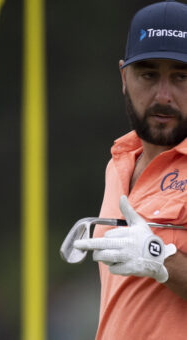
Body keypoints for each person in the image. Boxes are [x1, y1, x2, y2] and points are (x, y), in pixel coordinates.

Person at [73, 1, 187, 339]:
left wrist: (158, 257)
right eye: (149, 75)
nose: (163, 95)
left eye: (181, 76)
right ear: (124, 77)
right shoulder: (119, 163)